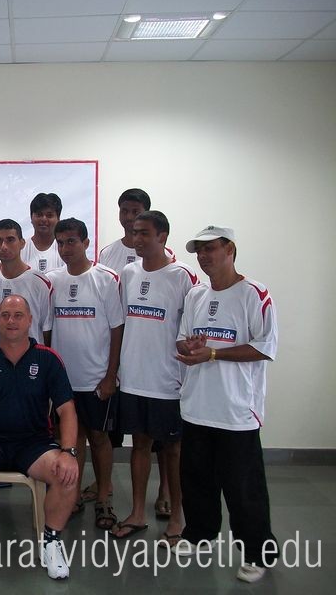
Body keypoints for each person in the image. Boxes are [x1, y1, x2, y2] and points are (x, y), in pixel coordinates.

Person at [175, 226, 278, 583]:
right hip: (197, 406)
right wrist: (190, 348)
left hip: (236, 412)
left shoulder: (254, 294)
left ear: (230, 249)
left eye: (211, 249)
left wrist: (214, 353)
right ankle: (199, 535)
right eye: (199, 250)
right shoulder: (196, 295)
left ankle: (257, 553)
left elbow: (265, 346)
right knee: (196, 481)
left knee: (243, 488)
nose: (203, 256)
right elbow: (183, 340)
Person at [0, 295, 79, 580]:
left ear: (30, 320)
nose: (11, 321)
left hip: (34, 444)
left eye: (18, 315)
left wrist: (69, 452)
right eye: (5, 315)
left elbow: (67, 410)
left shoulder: (48, 358)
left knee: (67, 474)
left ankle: (51, 542)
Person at [86, 188, 174, 519]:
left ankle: (165, 491)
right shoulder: (109, 254)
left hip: (158, 369)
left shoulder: (169, 260)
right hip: (122, 362)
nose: (128, 218)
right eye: (124, 211)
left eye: (135, 212)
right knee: (111, 433)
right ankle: (104, 486)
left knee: (161, 441)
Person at [111, 211, 197, 548]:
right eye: (134, 233)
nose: (137, 239)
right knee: (140, 446)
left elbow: (191, 329)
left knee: (172, 451)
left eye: (144, 233)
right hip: (133, 378)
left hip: (168, 381)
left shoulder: (182, 276)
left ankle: (177, 518)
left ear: (162, 236)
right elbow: (121, 323)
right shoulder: (129, 273)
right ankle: (136, 513)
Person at [47, 218, 123, 530]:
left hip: (96, 379)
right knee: (71, 441)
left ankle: (104, 497)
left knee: (99, 438)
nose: (65, 248)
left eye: (71, 241)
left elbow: (117, 329)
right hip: (64, 381)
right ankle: (73, 495)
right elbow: (48, 329)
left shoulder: (106, 278)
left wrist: (110, 376)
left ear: (86, 243)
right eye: (60, 243)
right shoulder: (52, 281)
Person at [0, 219, 52, 344]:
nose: (4, 246)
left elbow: (47, 330)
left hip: (32, 354)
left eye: (10, 240)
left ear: (22, 243)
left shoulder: (40, 282)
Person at [0, 192, 65, 277]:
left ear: (58, 219)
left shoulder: (67, 249)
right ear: (31, 218)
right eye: (39, 215)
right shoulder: (18, 247)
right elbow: (3, 273)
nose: (44, 219)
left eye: (49, 215)